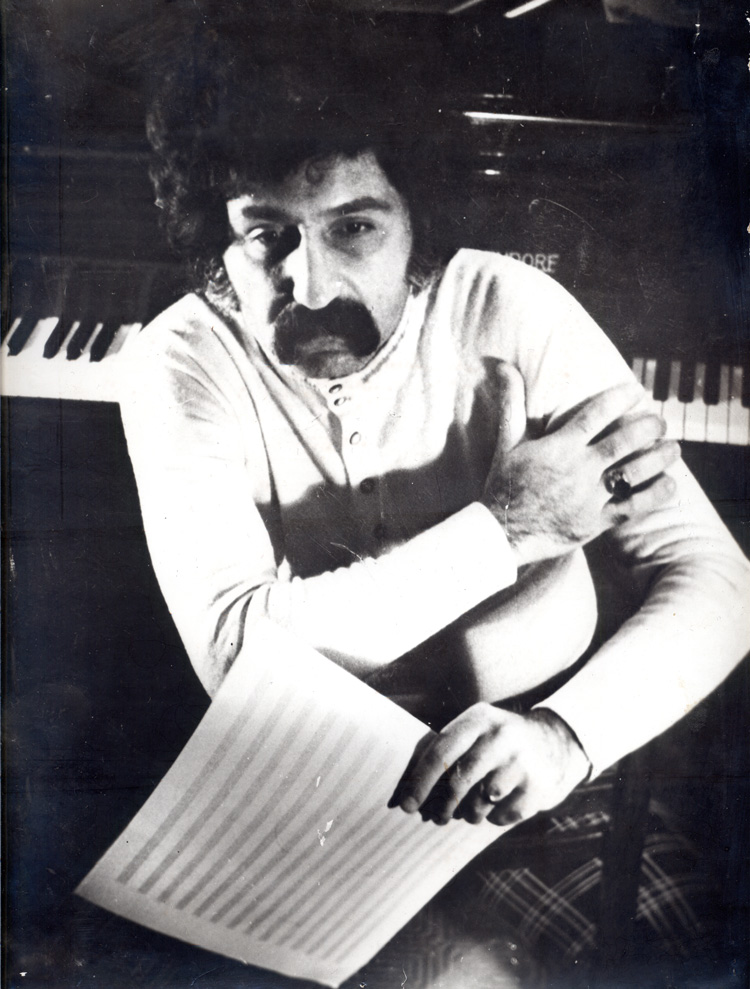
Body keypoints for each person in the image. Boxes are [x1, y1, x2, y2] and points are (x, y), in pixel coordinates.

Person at [121, 20, 749, 980]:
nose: (310, 284)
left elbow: (718, 578)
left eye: (354, 228)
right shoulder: (180, 357)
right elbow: (236, 653)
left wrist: (564, 737)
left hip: (537, 758)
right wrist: (508, 530)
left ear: (419, 225)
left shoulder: (513, 308)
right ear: (219, 238)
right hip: (311, 780)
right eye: (267, 236)